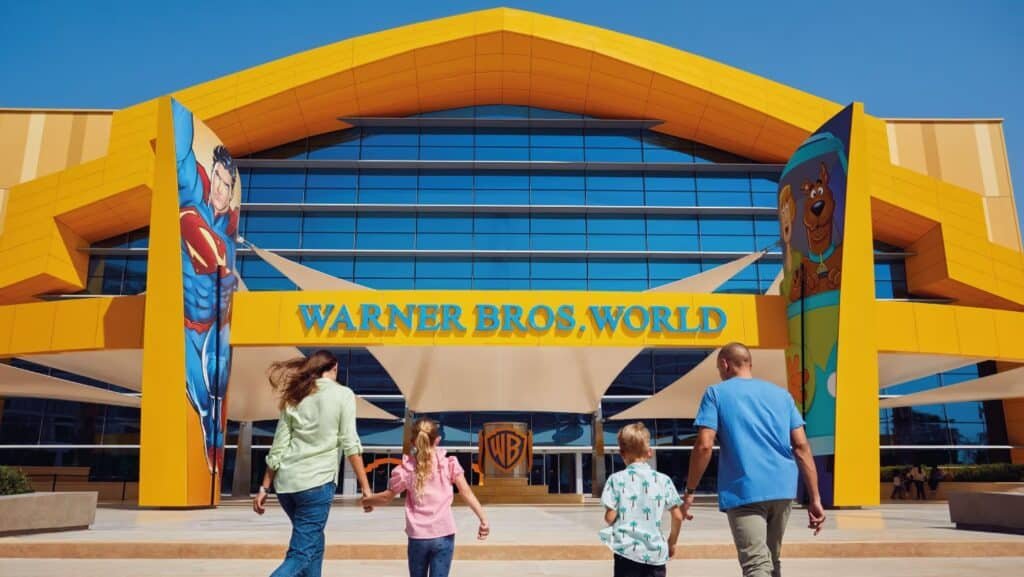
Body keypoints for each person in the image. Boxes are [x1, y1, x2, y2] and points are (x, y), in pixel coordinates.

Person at [683, 342, 826, 577]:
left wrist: (690, 490)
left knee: (756, 565)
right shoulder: (782, 396)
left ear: (724, 364)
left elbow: (704, 445)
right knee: (771, 560)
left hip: (745, 489)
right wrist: (815, 498)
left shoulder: (716, 393)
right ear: (750, 364)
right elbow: (801, 446)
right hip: (783, 489)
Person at [253, 350, 372, 577]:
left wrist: (263, 488)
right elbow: (350, 444)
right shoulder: (343, 394)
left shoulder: (296, 396)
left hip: (287, 486)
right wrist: (365, 488)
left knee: (314, 544)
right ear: (334, 367)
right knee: (300, 554)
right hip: (316, 484)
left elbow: (278, 447)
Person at [174, 100, 241, 472]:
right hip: (189, 326)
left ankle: (214, 430)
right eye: (216, 178)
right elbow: (181, 150)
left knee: (216, 388)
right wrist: (180, 113)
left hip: (217, 325)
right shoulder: (192, 203)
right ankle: (210, 432)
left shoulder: (229, 237)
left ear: (232, 191)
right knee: (202, 400)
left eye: (226, 183)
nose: (219, 187)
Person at [362, 418, 489, 577]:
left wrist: (367, 500)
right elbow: (466, 492)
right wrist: (483, 519)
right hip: (444, 534)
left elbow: (387, 497)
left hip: (418, 537)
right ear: (438, 440)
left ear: (413, 441)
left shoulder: (406, 469)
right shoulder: (449, 464)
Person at [599, 422, 685, 577]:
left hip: (626, 553)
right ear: (649, 452)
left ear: (622, 453)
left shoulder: (615, 480)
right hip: (655, 554)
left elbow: (610, 517)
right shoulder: (663, 480)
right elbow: (678, 516)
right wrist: (672, 542)